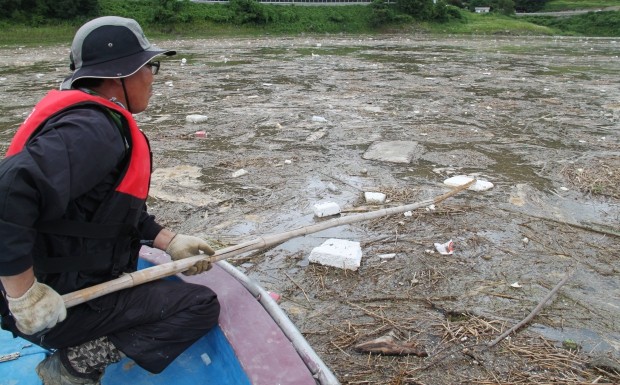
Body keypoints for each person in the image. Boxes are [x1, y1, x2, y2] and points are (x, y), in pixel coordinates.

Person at [0, 16, 220, 385]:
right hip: (51, 307)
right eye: (151, 66)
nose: (153, 76)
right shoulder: (94, 128)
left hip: (50, 290)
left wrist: (168, 241)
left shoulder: (88, 120)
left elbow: (104, 212)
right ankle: (74, 366)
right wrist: (25, 297)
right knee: (199, 305)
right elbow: (8, 194)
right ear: (123, 73)